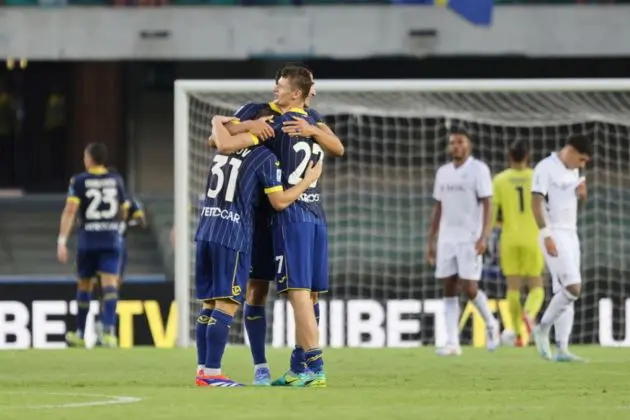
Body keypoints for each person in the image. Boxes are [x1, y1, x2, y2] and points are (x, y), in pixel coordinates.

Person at [194, 115, 322, 387]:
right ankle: (213, 374)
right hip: (232, 233)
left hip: (205, 229)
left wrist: (219, 119)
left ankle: (203, 369)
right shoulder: (265, 158)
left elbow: (219, 137)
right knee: (227, 304)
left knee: (209, 303)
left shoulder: (224, 150)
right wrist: (308, 179)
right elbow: (279, 201)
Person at [426, 128, 500, 356]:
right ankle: (452, 343)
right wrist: (431, 240)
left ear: (468, 145)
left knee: (469, 288)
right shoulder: (443, 173)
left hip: (470, 237)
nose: (455, 146)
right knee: (448, 287)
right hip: (447, 238)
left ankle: (491, 324)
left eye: (460, 142)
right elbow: (438, 207)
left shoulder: (479, 170)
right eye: (452, 143)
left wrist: (483, 236)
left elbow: (488, 203)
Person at [57, 143, 129, 348]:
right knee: (109, 286)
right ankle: (108, 333)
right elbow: (123, 210)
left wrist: (61, 240)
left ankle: (80, 333)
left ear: (89, 158)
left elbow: (70, 211)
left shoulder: (79, 181)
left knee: (84, 285)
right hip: (110, 239)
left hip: (88, 240)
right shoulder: (116, 180)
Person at [531, 134, 591, 362]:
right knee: (573, 287)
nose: (583, 164)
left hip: (571, 234)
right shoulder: (545, 168)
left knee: (564, 294)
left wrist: (582, 197)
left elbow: (574, 207)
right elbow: (535, 203)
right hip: (552, 232)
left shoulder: (575, 172)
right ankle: (542, 328)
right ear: (571, 151)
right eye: (582, 159)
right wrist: (546, 234)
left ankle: (562, 349)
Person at [492, 140, 545, 347]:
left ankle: (517, 333)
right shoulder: (536, 177)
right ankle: (529, 315)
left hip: (509, 239)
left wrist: (485, 235)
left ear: (509, 157)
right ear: (528, 157)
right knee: (536, 287)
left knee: (512, 289)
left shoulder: (500, 180)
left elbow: (492, 212)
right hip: (533, 237)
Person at [94, 197, 146, 346]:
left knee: (109, 288)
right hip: (108, 244)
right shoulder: (112, 197)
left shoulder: (127, 200)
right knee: (106, 288)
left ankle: (104, 328)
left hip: (109, 244)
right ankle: (104, 328)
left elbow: (142, 221)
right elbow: (142, 222)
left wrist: (126, 222)